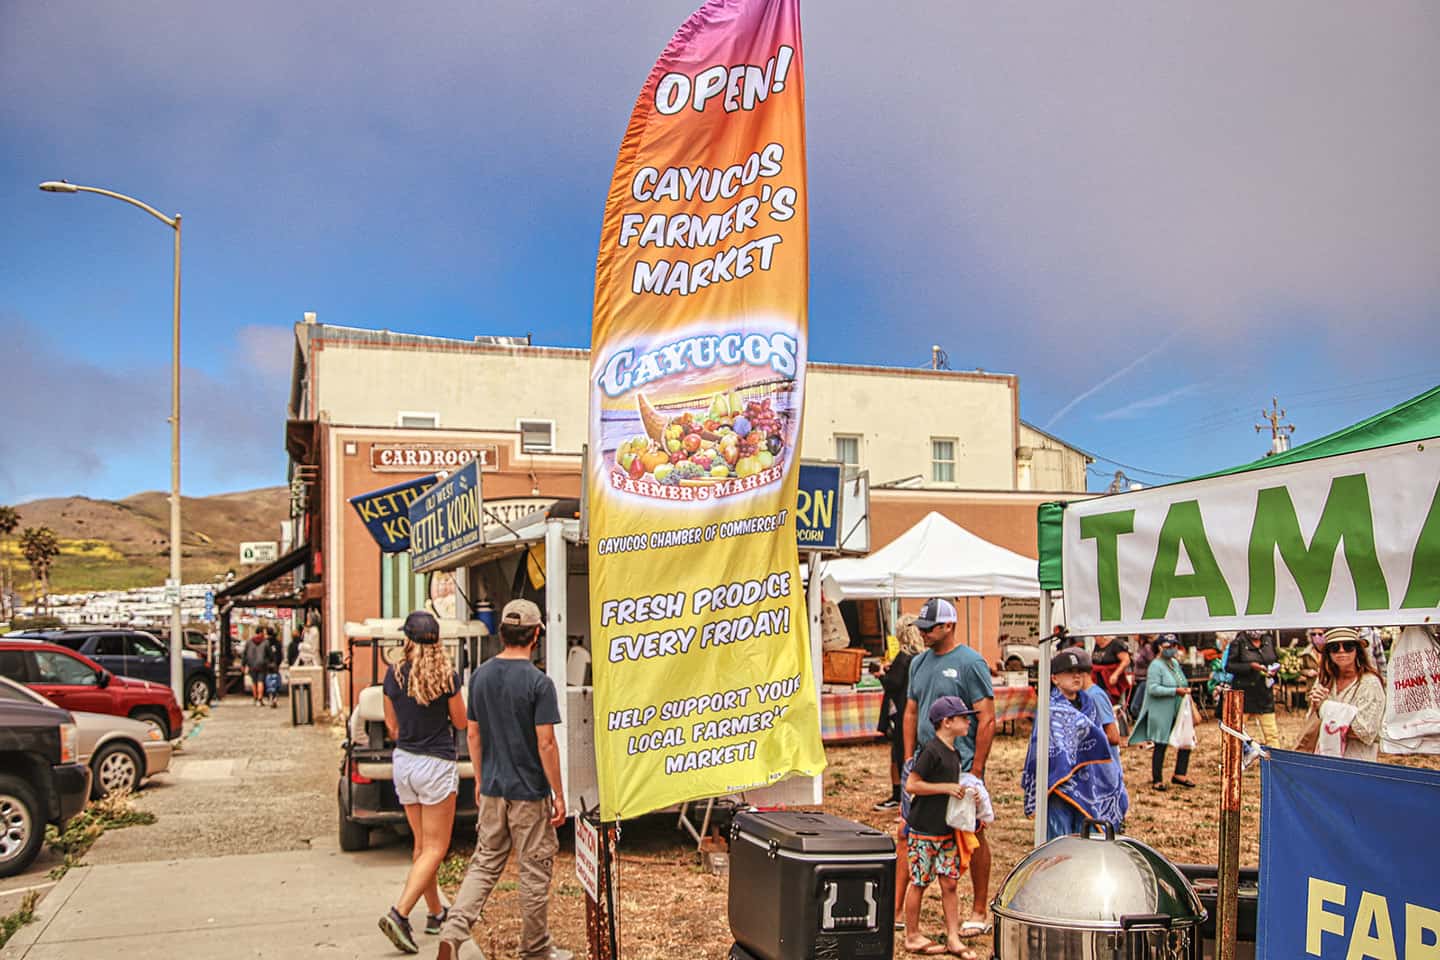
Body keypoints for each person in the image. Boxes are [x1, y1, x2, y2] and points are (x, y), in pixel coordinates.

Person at [440, 599, 571, 960]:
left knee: (484, 863)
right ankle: (536, 949)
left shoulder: (479, 677)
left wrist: (481, 781)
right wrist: (558, 794)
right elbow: (545, 743)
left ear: (502, 634)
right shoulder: (538, 683)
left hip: (494, 788)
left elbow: (473, 735)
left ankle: (452, 933)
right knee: (533, 871)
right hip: (529, 793)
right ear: (536, 634)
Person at [903, 598, 995, 940]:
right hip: (926, 765)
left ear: (948, 626)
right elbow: (911, 710)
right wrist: (909, 757)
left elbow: (986, 717)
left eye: (929, 628)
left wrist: (978, 769)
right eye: (921, 629)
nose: (924, 634)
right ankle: (910, 917)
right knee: (920, 833)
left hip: (962, 765)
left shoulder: (971, 663)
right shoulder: (918, 663)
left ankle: (979, 910)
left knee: (971, 834)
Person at [377, 611, 467, 955]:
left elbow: (393, 727)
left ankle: (434, 913)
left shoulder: (393, 673)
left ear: (408, 639)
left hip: (404, 763)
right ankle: (400, 914)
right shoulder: (447, 675)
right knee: (435, 848)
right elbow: (460, 720)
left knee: (421, 846)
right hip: (436, 764)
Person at [902, 696, 992, 959]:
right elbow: (912, 785)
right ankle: (912, 935)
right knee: (919, 882)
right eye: (963, 717)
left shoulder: (954, 753)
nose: (968, 721)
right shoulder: (931, 751)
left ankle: (953, 936)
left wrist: (966, 795)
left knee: (950, 883)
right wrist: (946, 788)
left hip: (946, 830)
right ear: (947, 722)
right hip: (924, 830)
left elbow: (950, 789)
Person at [1023, 648, 1128, 840]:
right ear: (1055, 679)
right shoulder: (1050, 708)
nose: (1076, 676)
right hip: (1059, 786)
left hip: (1089, 785)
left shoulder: (1089, 703)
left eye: (1080, 672)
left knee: (1086, 837)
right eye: (1070, 672)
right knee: (1060, 839)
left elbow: (1099, 740)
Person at [1307, 627, 1386, 761]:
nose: (1341, 651)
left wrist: (1325, 707)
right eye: (1335, 647)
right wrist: (1316, 705)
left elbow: (1366, 732)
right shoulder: (1324, 680)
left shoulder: (1370, 683)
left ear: (1357, 651)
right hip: (1326, 759)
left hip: (1357, 762)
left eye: (1348, 646)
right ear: (1329, 653)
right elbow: (1314, 717)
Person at [1128, 636, 1197, 790]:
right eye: (1168, 646)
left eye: (1174, 645)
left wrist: (1184, 691)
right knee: (1161, 744)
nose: (1172, 648)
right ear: (1159, 647)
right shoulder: (1155, 665)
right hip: (1161, 711)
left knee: (1185, 742)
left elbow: (1182, 681)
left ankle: (1180, 774)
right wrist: (1174, 691)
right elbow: (1153, 688)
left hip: (1178, 710)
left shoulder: (1174, 663)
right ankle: (1157, 779)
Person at [874, 616, 924, 812]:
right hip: (916, 709)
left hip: (901, 711)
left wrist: (881, 675)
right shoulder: (922, 656)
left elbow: (893, 683)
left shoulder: (903, 657)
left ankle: (900, 796)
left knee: (900, 754)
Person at [1227, 630, 1280, 745]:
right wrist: (1250, 666)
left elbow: (1276, 659)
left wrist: (1273, 670)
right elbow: (1229, 666)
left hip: (1264, 694)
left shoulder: (1268, 640)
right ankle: (1237, 760)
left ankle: (1274, 761)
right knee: (1236, 732)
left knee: (1271, 733)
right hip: (1243, 694)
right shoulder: (1238, 642)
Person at [1090, 635, 1132, 709]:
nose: (1095, 638)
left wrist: (1115, 674)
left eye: (1096, 636)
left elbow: (1126, 660)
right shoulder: (1097, 645)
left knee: (1114, 705)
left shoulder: (1116, 644)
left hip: (1112, 681)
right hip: (1099, 680)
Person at [1128, 635, 1160, 721]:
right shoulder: (1139, 647)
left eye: (1135, 634)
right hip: (1139, 679)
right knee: (1140, 706)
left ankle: (1146, 723)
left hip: (1146, 680)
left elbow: (1153, 662)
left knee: (1135, 707)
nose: (1133, 635)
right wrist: (1134, 675)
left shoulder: (1147, 647)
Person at [243, 627, 270, 706]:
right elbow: (269, 654)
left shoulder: (249, 642)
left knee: (254, 682)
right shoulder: (265, 642)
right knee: (260, 681)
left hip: (251, 664)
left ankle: (255, 698)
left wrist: (243, 664)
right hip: (262, 664)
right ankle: (260, 698)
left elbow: (245, 654)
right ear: (261, 633)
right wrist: (269, 661)